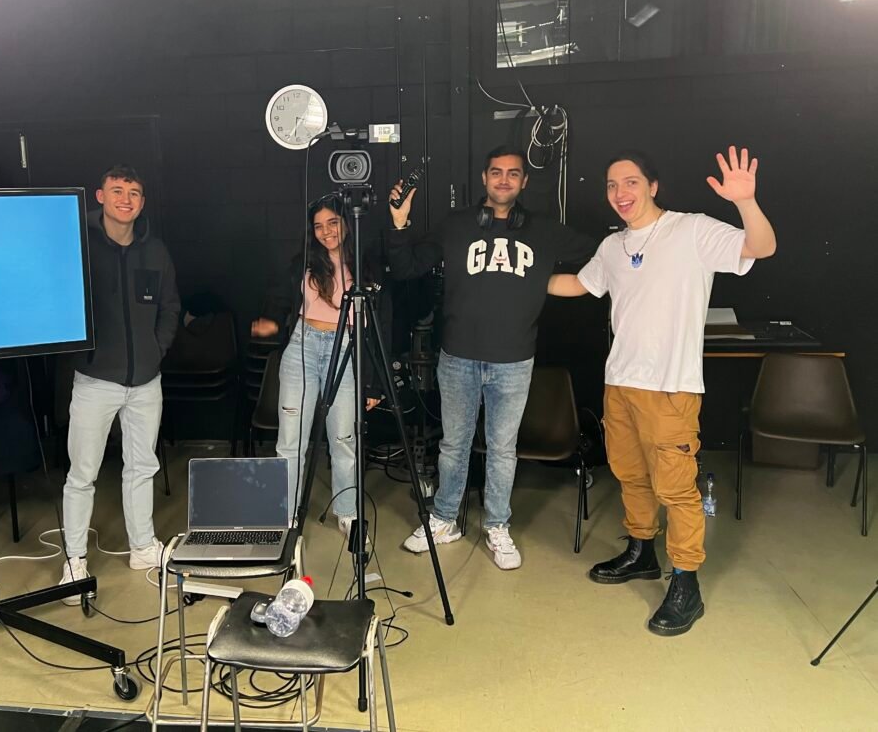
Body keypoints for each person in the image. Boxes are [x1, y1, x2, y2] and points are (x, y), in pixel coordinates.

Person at [548, 146, 776, 635]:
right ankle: (641, 552)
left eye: (630, 182)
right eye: (612, 185)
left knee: (675, 488)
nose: (620, 193)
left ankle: (686, 583)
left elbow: (761, 248)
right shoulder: (612, 247)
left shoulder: (691, 230)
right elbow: (579, 285)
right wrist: (516, 279)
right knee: (630, 475)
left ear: (653, 186)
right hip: (620, 383)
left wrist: (745, 202)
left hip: (671, 387)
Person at [387, 146, 594, 569]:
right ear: (484, 178)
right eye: (496, 172)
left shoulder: (544, 230)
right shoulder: (455, 225)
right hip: (458, 358)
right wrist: (399, 222)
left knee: (503, 450)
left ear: (524, 181)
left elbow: (603, 254)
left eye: (513, 173)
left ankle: (497, 525)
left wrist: (547, 282)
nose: (504, 179)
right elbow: (407, 266)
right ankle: (445, 519)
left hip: (514, 361)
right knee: (453, 446)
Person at [59, 165, 180, 601]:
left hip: (146, 381)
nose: (125, 199)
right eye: (117, 190)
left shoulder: (155, 251)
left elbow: (170, 307)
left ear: (142, 202)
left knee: (142, 466)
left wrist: (155, 350)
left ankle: (143, 548)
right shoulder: (80, 246)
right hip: (95, 379)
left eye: (133, 192)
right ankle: (74, 561)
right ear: (100, 196)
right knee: (82, 474)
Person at [251, 194, 383, 541]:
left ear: (347, 223)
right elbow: (281, 298)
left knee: (344, 439)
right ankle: (286, 515)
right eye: (318, 226)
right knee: (290, 441)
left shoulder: (366, 264)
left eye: (332, 223)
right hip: (303, 347)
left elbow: (379, 323)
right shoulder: (304, 263)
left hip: (347, 349)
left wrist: (373, 383)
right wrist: (271, 322)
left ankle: (348, 512)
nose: (326, 232)